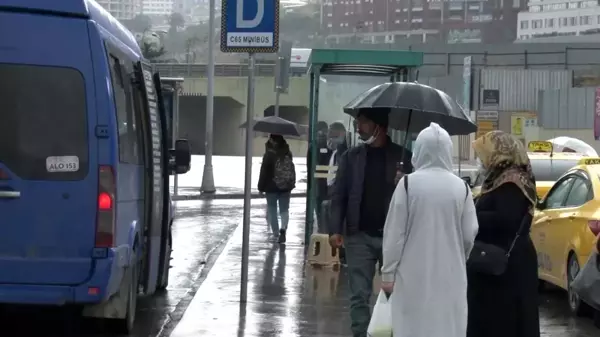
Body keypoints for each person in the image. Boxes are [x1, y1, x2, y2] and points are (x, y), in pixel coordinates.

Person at [380, 122, 479, 337]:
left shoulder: (407, 185)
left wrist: (388, 273)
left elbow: (394, 234)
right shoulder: (461, 188)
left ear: (419, 150)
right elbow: (470, 233)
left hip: (411, 275)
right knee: (447, 326)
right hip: (451, 275)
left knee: (411, 326)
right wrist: (459, 257)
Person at [329, 108, 413, 337]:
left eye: (364, 122)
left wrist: (404, 181)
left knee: (394, 293)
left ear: (380, 126)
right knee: (358, 295)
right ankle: (360, 334)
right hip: (359, 236)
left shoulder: (404, 157)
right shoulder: (351, 157)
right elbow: (339, 195)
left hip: (392, 237)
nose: (358, 127)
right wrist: (335, 229)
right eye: (357, 122)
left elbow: (415, 197)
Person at [468, 130, 540, 337]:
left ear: (498, 153)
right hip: (496, 263)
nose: (480, 161)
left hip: (506, 266)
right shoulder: (498, 179)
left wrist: (472, 216)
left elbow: (506, 219)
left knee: (504, 323)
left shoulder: (512, 183)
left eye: (483, 155)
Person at [258, 134, 296, 243]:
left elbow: (263, 172)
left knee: (272, 209)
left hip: (271, 187)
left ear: (273, 141)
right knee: (284, 209)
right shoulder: (288, 153)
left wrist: (261, 187)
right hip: (285, 186)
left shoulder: (269, 155)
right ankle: (283, 228)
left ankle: (276, 233)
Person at [307, 121, 330, 231]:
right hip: (325, 183)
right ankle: (323, 229)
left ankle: (322, 229)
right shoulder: (327, 145)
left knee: (320, 208)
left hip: (319, 183)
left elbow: (310, 166)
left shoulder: (314, 145)